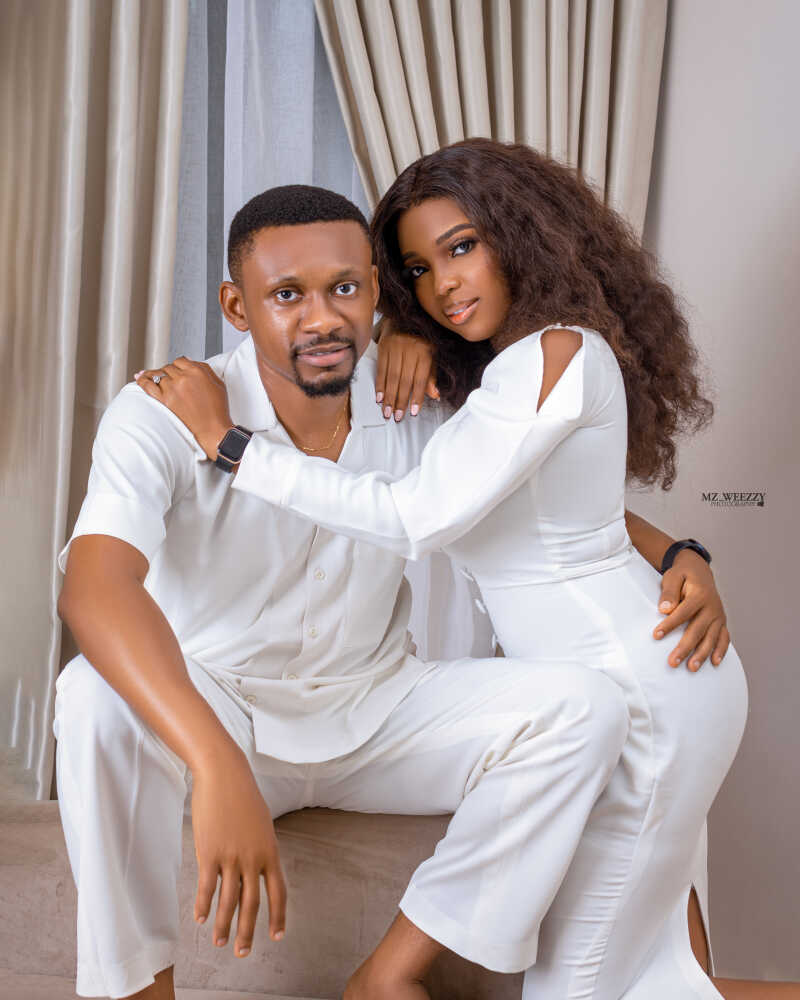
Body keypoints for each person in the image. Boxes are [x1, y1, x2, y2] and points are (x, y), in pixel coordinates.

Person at [129, 182, 744, 1000]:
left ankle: (382, 980)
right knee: (666, 974)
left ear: (522, 235)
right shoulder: (496, 377)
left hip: (639, 684)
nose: (444, 282)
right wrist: (683, 551)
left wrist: (230, 444)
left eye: (461, 247)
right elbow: (562, 507)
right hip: (615, 678)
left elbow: (412, 515)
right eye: (417, 269)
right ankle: (384, 980)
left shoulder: (556, 350)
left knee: (596, 988)